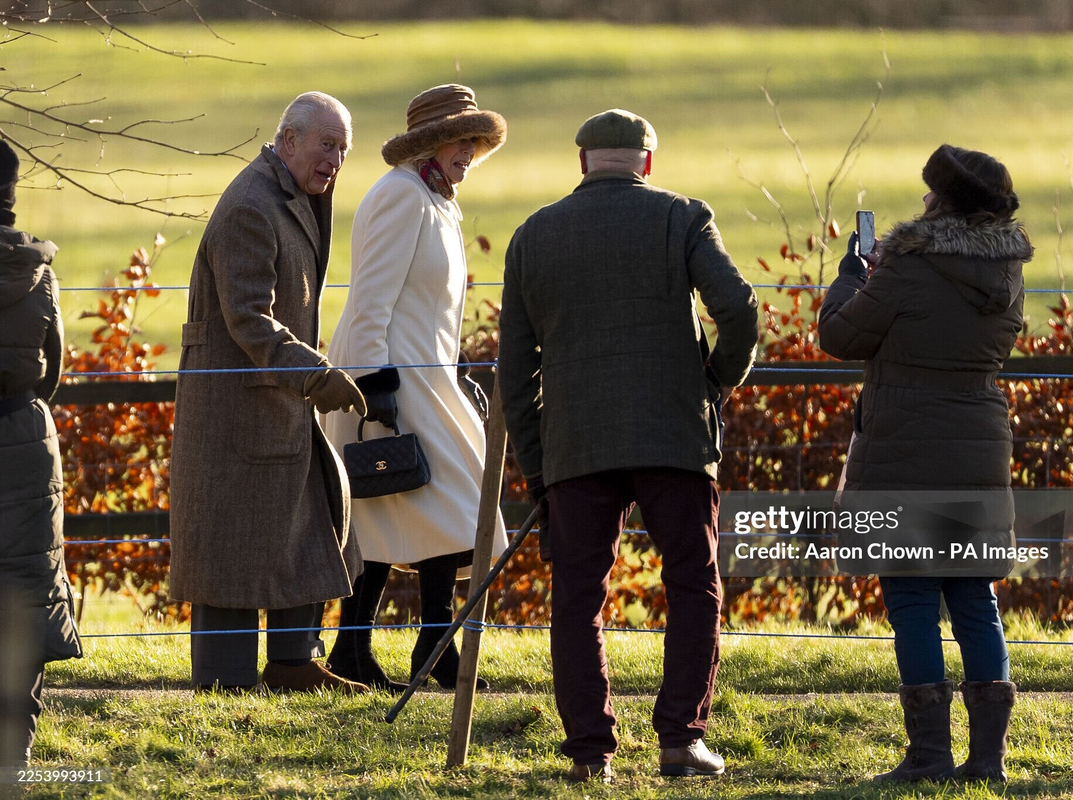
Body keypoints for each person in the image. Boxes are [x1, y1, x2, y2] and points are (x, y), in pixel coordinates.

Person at [498, 109, 759, 783]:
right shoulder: (683, 217)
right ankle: (681, 740)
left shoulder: (533, 237)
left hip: (575, 444)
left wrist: (539, 467)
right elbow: (739, 310)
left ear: (582, 162)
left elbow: (514, 374)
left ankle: (590, 753)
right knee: (693, 584)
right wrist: (715, 380)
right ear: (647, 162)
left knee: (578, 598)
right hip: (674, 433)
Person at [818, 144, 1031, 783]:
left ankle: (929, 757)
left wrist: (853, 276)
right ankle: (987, 760)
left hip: (903, 449)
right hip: (979, 444)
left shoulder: (905, 269)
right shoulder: (1008, 274)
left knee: (911, 601)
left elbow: (840, 337)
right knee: (975, 600)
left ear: (940, 202)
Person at [169, 92, 369, 693]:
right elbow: (250, 319)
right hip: (237, 415)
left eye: (343, 149)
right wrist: (316, 374)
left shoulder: (291, 195)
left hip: (273, 401)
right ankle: (225, 683)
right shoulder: (251, 207)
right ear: (287, 141)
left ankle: (292, 665)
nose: (335, 159)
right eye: (325, 145)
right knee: (231, 548)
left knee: (306, 523)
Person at [320, 84, 508, 693]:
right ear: (430, 142)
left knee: (406, 510)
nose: (470, 152)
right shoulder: (402, 196)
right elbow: (370, 300)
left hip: (428, 375)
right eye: (461, 139)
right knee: (424, 504)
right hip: (391, 375)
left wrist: (455, 370)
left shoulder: (438, 199)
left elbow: (435, 305)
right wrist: (374, 386)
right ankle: (422, 646)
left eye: (476, 141)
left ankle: (381, 648)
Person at [0, 140, 82, 770]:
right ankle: (13, 755)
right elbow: (53, 368)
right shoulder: (36, 270)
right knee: (27, 590)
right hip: (24, 440)